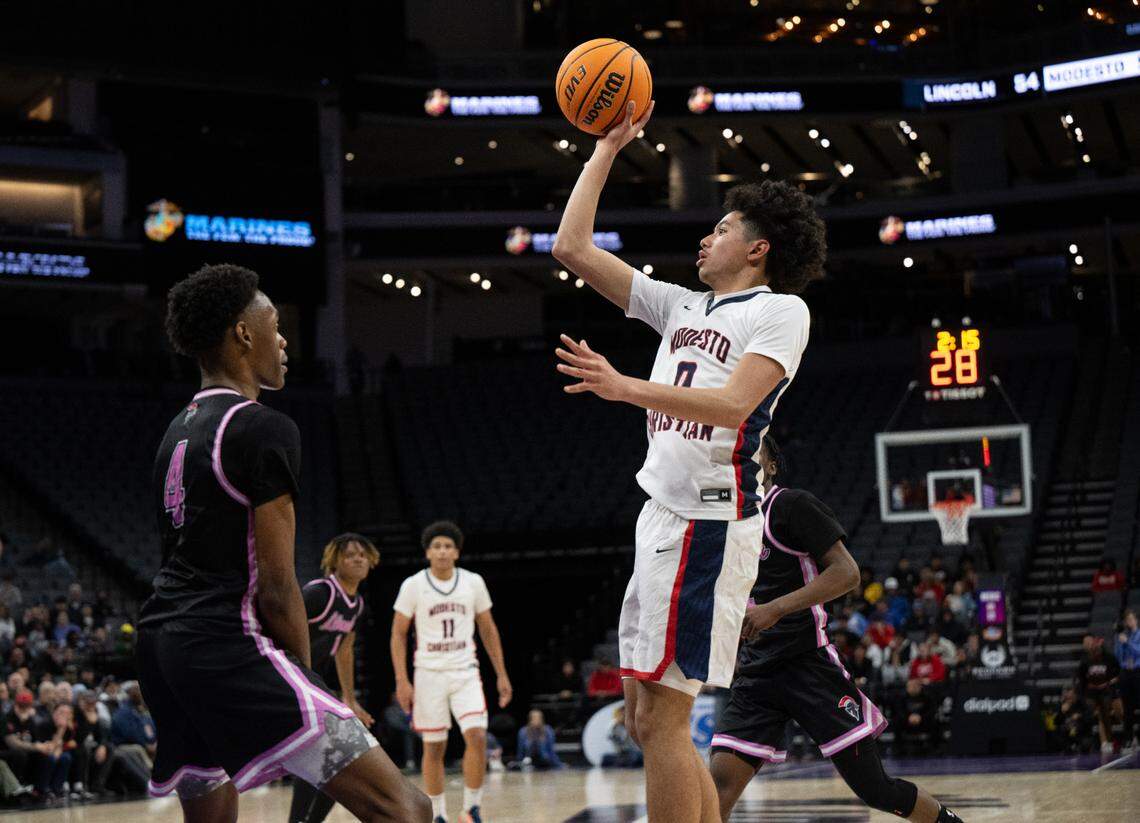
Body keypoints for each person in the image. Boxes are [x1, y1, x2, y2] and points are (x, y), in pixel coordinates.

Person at [552, 99, 820, 823]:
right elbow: (571, 247)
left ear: (759, 248)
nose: (706, 238)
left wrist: (622, 385)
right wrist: (607, 147)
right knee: (646, 722)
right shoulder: (681, 307)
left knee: (667, 722)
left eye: (723, 228)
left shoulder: (779, 312)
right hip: (661, 517)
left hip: (707, 523)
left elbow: (736, 406)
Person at [135, 264, 429, 823]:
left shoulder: (177, 430)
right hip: (226, 642)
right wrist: (305, 678)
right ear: (244, 334)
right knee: (408, 809)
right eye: (276, 324)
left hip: (161, 648)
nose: (285, 340)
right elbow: (275, 583)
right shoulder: (263, 427)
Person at [708, 437, 960, 823]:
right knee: (719, 785)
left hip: (808, 665)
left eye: (754, 450)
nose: (742, 457)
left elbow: (847, 574)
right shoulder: (729, 521)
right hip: (757, 672)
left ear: (772, 465)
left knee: (876, 789)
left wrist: (775, 609)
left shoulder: (791, 506)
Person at [391, 521, 512, 823]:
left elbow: (488, 628)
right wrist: (402, 680)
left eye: (448, 546)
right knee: (434, 746)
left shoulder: (473, 582)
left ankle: (471, 809)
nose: (442, 551)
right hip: (428, 672)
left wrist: (502, 673)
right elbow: (398, 634)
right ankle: (438, 813)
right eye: (437, 546)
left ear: (456, 552)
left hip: (465, 670)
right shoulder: (413, 585)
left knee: (477, 736)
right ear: (428, 552)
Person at [288, 533, 381, 823]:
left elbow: (345, 651)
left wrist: (350, 699)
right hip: (289, 675)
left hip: (311, 682)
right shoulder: (320, 592)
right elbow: (280, 623)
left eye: (362, 554)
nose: (357, 559)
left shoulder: (357, 605)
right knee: (328, 752)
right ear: (335, 561)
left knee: (338, 757)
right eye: (350, 555)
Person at [1076, 634, 1122, 753]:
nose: (1087, 644)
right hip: (1094, 692)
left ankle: (1128, 736)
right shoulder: (1085, 660)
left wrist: (1111, 681)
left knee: (1118, 713)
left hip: (1109, 689)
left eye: (1089, 642)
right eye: (1084, 643)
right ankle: (1105, 743)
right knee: (1102, 714)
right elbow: (1081, 678)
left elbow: (1117, 670)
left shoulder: (1107, 656)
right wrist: (1086, 689)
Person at [1115, 609, 1140, 749]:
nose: (1129, 622)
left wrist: (1128, 643)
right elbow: (1118, 657)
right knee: (1127, 707)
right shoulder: (1123, 636)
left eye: (1131, 619)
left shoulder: (1139, 635)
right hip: (1126, 673)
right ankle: (1129, 739)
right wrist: (1121, 643)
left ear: (1136, 621)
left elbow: (1139, 651)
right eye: (1127, 620)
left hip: (1138, 672)